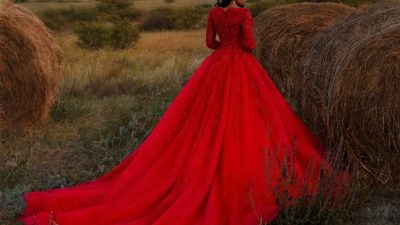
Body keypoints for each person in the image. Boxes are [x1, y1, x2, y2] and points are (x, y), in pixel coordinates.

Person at [18, 0, 351, 224]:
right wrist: (241, 36)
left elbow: (210, 43)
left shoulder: (214, 14)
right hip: (242, 67)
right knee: (255, 120)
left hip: (218, 65)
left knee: (202, 120)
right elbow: (249, 44)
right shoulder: (244, 13)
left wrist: (224, 44)